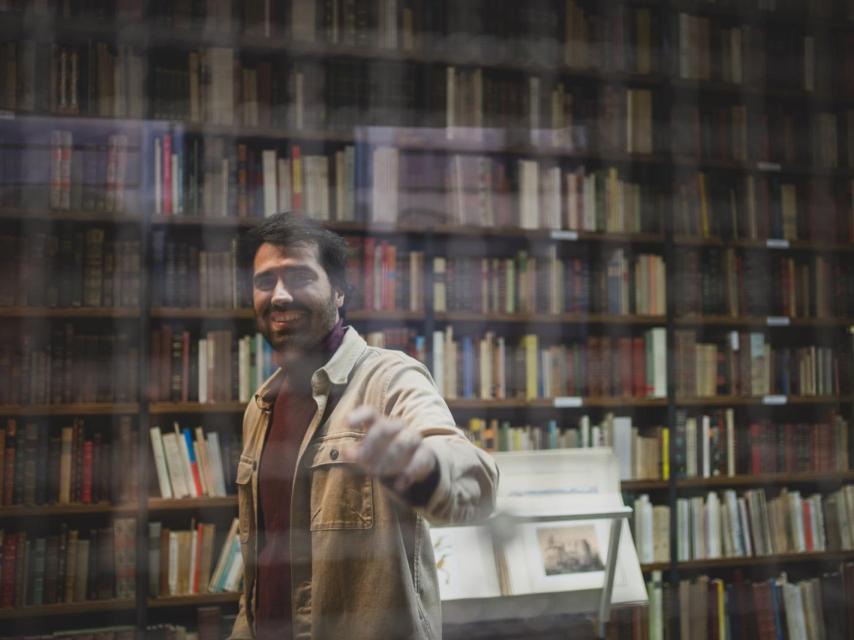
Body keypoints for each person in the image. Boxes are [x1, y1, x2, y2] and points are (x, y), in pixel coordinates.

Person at [229, 212, 498, 640]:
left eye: (298, 276)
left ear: (338, 291)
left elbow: (476, 481)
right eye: (265, 282)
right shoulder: (260, 406)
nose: (279, 296)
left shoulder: (391, 379)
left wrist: (423, 468)